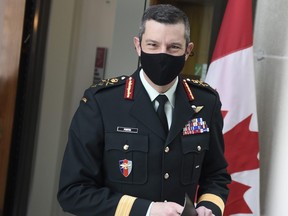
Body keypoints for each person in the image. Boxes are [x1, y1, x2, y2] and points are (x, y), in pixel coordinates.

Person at [57, 4, 231, 216]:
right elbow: (73, 192)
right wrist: (147, 210)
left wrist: (209, 208)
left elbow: (215, 175)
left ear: (188, 50)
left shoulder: (206, 102)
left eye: (173, 47)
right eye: (153, 45)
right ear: (138, 46)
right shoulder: (101, 103)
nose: (162, 54)